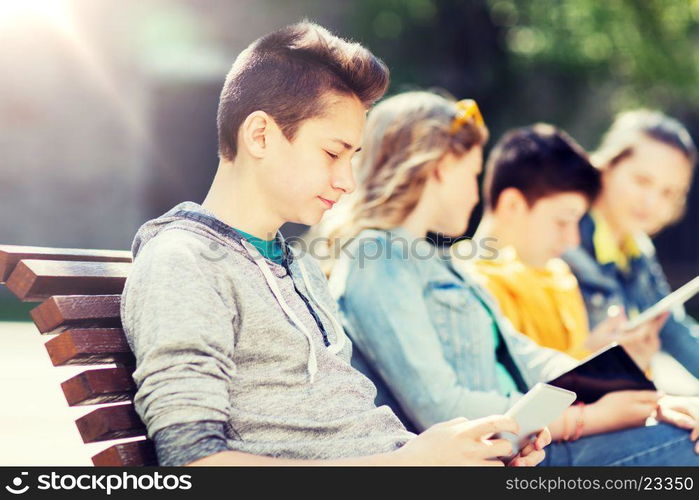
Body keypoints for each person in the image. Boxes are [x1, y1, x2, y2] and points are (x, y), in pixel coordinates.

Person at [120, 22, 543, 467]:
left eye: (353, 157)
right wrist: (411, 465)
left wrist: (463, 453)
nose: (348, 181)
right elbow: (192, 462)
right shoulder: (183, 260)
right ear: (260, 135)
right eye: (332, 153)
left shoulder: (294, 266)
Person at [318, 90, 699, 465]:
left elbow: (527, 357)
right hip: (497, 453)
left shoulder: (436, 262)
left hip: (523, 444)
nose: (475, 195)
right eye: (473, 175)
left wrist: (642, 396)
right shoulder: (378, 262)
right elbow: (441, 407)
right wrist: (584, 418)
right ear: (441, 169)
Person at [467, 124, 665, 370]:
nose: (572, 240)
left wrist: (623, 363)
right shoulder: (465, 285)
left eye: (576, 222)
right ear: (513, 205)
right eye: (562, 221)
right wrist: (589, 359)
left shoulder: (560, 277)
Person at [562, 110, 699, 385]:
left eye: (668, 192)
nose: (651, 202)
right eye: (642, 181)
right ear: (608, 165)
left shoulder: (638, 248)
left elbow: (672, 328)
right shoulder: (563, 239)